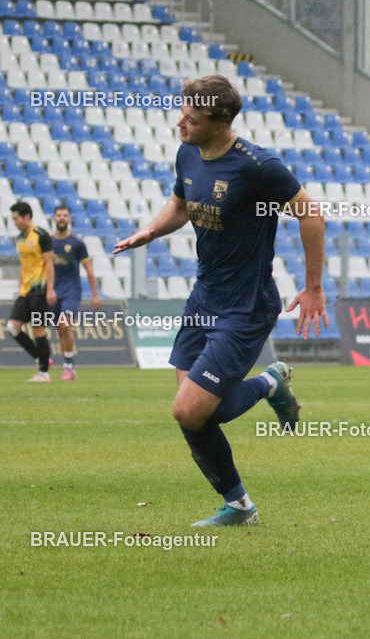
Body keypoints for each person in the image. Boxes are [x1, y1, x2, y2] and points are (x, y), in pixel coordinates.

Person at [114, 75, 328, 527]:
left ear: (220, 121)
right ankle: (239, 506)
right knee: (193, 416)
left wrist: (313, 286)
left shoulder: (258, 166)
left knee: (189, 410)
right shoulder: (187, 151)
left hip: (245, 307)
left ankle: (270, 383)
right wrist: (152, 230)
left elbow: (310, 213)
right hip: (203, 298)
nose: (180, 122)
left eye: (190, 118)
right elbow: (179, 204)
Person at [6, 201, 57, 382]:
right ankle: (41, 357)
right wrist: (21, 287)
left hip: (41, 289)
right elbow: (23, 266)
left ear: (27, 216)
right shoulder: (20, 239)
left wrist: (50, 289)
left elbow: (49, 263)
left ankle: (43, 373)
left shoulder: (41, 235)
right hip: (25, 290)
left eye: (16, 218)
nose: (14, 222)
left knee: (38, 328)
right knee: (12, 327)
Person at [51, 204, 102, 380]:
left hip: (72, 290)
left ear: (70, 219)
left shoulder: (77, 243)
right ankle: (68, 363)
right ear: (54, 219)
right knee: (60, 329)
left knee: (65, 325)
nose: (62, 218)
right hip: (53, 291)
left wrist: (95, 294)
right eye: (59, 216)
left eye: (65, 215)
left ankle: (69, 365)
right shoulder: (48, 243)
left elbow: (89, 269)